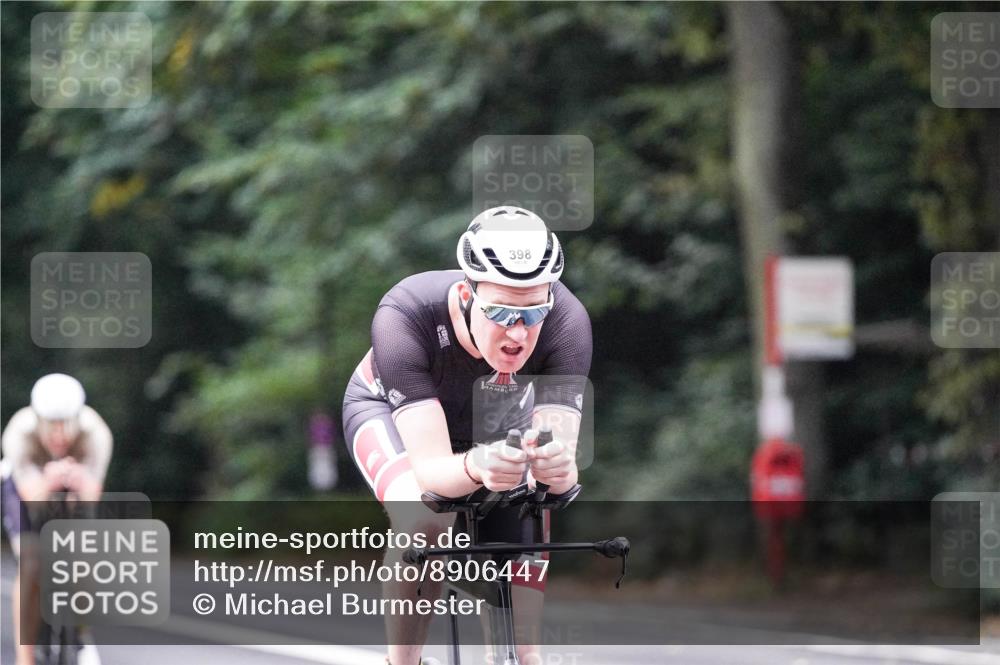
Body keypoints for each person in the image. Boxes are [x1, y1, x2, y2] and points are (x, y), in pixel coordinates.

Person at [342, 206, 591, 665]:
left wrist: (555, 468)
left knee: (530, 507)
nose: (519, 332)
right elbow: (433, 474)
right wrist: (478, 465)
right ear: (465, 293)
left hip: (495, 418)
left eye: (534, 312)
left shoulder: (567, 324)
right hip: (391, 412)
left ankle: (520, 655)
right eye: (500, 311)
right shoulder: (405, 315)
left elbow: (560, 473)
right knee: (424, 520)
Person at [1, 373, 113, 665]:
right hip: (25, 488)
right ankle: (25, 657)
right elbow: (31, 497)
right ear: (38, 419)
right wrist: (49, 480)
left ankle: (81, 632)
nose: (59, 434)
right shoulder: (18, 432)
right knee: (31, 563)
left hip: (71, 484)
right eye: (51, 424)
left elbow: (91, 496)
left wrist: (78, 482)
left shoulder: (96, 434)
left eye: (66, 424)